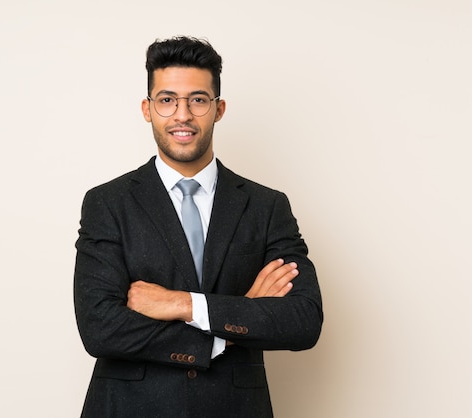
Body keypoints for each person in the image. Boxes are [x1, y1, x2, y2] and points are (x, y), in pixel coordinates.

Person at [74, 36, 323, 418]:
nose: (183, 115)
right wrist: (236, 320)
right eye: (167, 99)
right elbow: (100, 327)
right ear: (147, 108)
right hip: (130, 408)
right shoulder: (108, 203)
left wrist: (183, 304)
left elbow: (302, 320)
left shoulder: (266, 206)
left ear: (218, 108)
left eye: (198, 99)